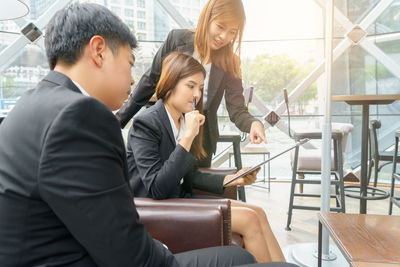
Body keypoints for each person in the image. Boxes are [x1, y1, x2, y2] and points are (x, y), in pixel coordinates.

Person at [0, 3, 262, 266]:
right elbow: (130, 244)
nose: (133, 78)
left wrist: (247, 129)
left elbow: (101, 222)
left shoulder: (29, 104)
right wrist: (117, 122)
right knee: (240, 254)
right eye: (129, 63)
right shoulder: (84, 117)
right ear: (99, 51)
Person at [127, 51, 285, 263]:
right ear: (170, 83)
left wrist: (232, 179)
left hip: (179, 199)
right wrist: (188, 136)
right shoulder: (146, 123)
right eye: (190, 86)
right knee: (249, 219)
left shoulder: (184, 121)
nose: (197, 95)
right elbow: (157, 187)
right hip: (157, 207)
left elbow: (190, 177)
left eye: (200, 88)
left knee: (258, 212)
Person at [117, 0, 266, 167]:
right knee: (160, 186)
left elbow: (237, 109)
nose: (224, 37)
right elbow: (149, 82)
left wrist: (254, 123)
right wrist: (117, 122)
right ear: (207, 18)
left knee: (197, 189)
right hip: (165, 130)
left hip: (201, 139)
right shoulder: (176, 39)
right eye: (220, 26)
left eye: (232, 32)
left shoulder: (230, 61)